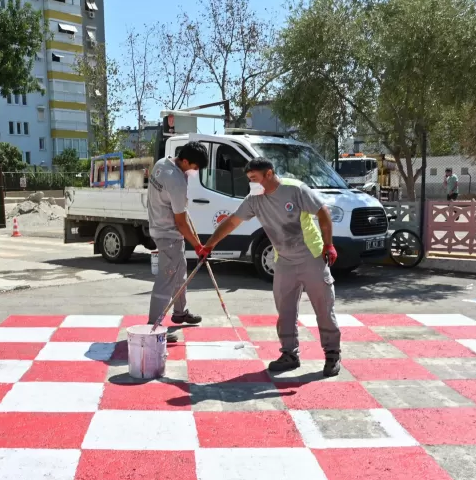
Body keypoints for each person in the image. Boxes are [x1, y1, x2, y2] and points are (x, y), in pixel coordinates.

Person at [197, 157, 342, 377]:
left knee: (324, 308)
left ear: (269, 174)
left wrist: (328, 245)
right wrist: (209, 245)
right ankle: (289, 354)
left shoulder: (295, 189)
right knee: (285, 311)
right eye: (249, 179)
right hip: (283, 260)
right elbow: (233, 221)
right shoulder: (254, 199)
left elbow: (323, 212)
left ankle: (332, 354)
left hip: (311, 256)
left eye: (254, 178)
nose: (251, 183)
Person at [147, 141, 209, 343]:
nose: (195, 172)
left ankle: (180, 312)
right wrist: (198, 246)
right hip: (168, 234)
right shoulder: (176, 181)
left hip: (159, 226)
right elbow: (181, 222)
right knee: (166, 280)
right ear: (185, 161)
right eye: (194, 167)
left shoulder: (162, 163)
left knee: (180, 272)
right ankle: (154, 325)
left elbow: (180, 211)